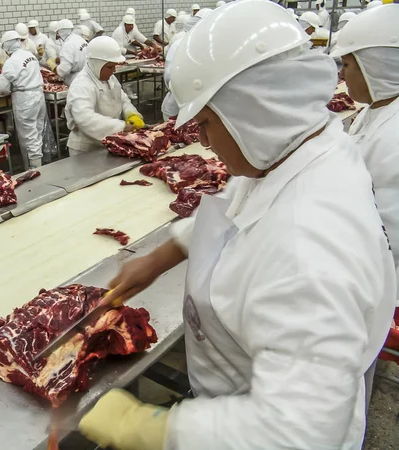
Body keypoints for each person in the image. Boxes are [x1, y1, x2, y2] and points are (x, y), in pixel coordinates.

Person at [78, 2, 395, 450]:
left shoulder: (310, 248)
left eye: (206, 123)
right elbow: (242, 208)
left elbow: (297, 432)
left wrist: (150, 427)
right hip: (237, 389)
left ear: (254, 110)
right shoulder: (303, 149)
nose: (202, 140)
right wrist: (162, 255)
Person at [331, 5, 399, 305]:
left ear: (377, 66)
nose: (342, 75)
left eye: (347, 65)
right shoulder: (373, 110)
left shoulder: (394, 134)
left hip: (377, 282)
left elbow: (386, 233)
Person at [65, 36, 142, 156]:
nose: (114, 71)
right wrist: (121, 127)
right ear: (97, 63)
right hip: (86, 150)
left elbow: (122, 99)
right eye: (110, 67)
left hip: (109, 143)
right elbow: (85, 118)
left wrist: (131, 114)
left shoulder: (109, 78)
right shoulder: (82, 84)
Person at [0, 30, 47, 169]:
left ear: (6, 47)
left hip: (25, 100)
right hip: (39, 96)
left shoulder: (11, 62)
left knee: (29, 137)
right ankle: (38, 165)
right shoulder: (30, 55)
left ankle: (35, 170)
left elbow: (1, 89)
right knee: (37, 133)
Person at [161, 15, 200, 120]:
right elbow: (169, 77)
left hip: (197, 108)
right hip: (176, 106)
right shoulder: (179, 45)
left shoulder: (205, 47)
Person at [55, 19, 88, 86]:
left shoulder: (68, 45)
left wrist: (55, 68)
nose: (58, 35)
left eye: (58, 32)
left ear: (61, 31)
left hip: (76, 81)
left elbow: (64, 70)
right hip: (87, 77)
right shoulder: (80, 39)